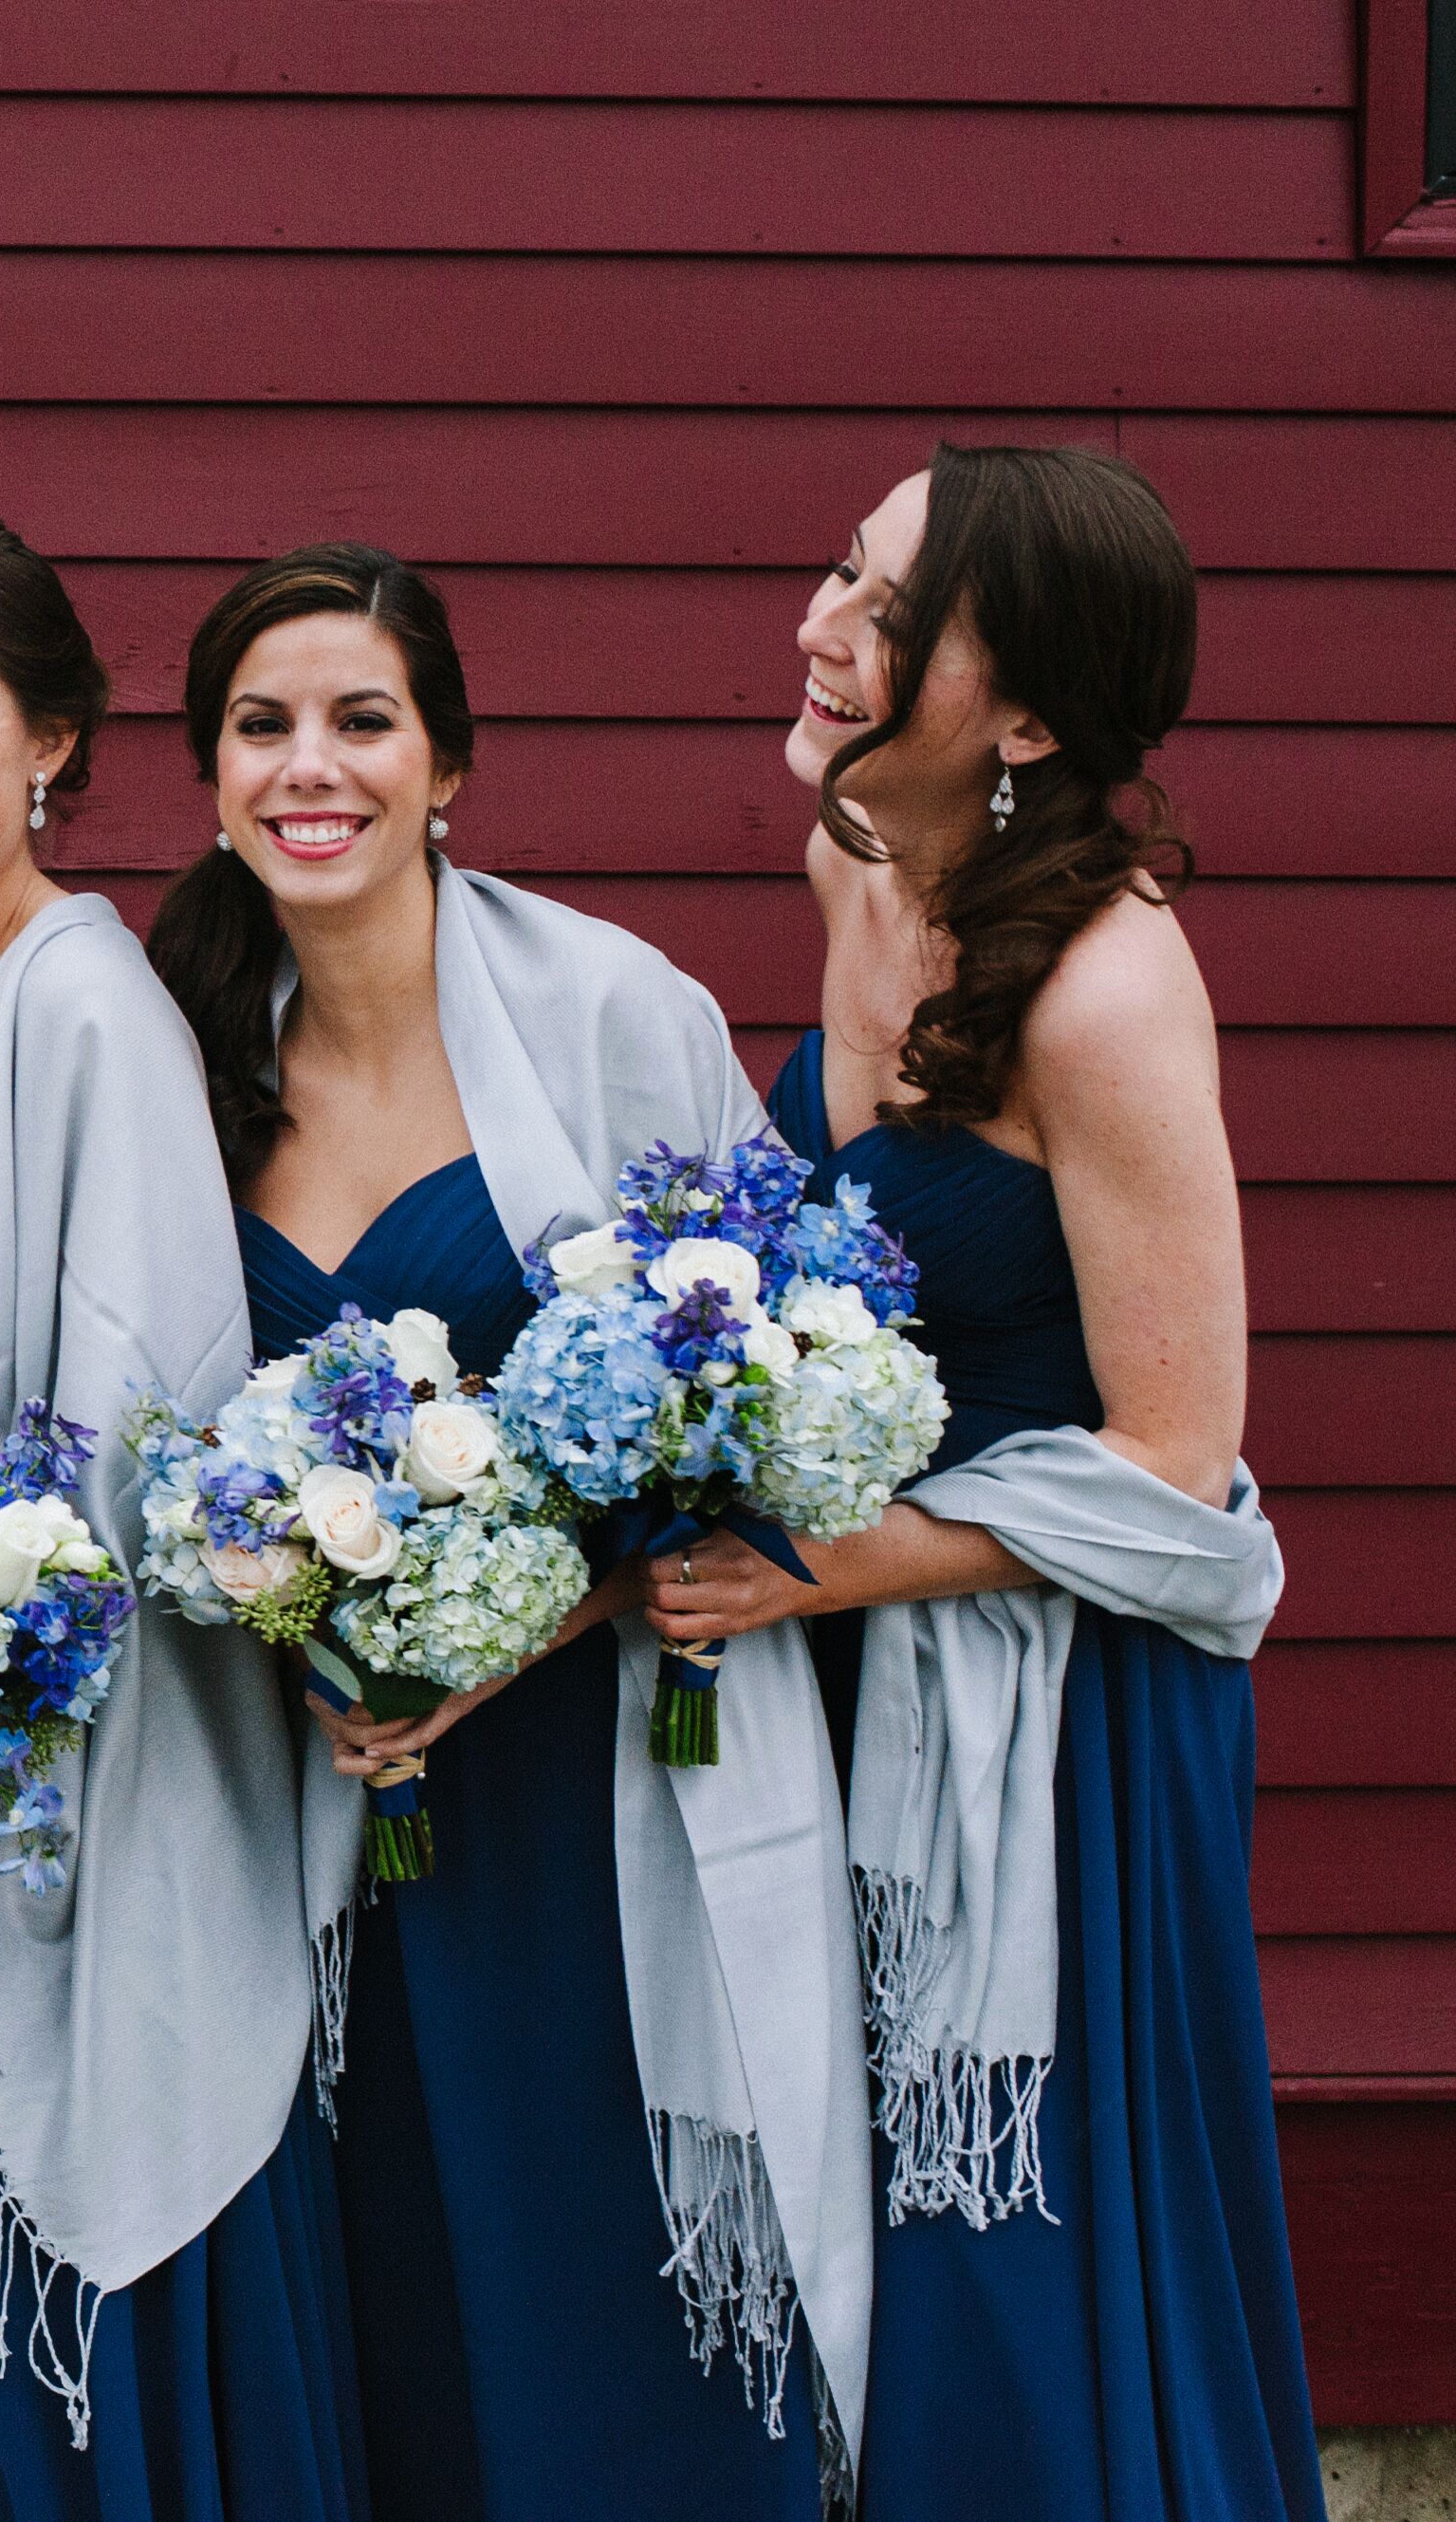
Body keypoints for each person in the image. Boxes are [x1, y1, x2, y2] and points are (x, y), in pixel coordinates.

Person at [144, 543, 868, 2520]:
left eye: (361, 721)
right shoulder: (170, 1039)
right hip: (294, 1780)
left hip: (581, 1777)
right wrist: (277, 1614)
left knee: (596, 2293)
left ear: (447, 758)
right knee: (366, 2312)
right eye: (263, 727)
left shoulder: (615, 1015)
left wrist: (505, 1640)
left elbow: (773, 1391)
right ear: (208, 776)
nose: (315, 767)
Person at [669, 444, 1319, 2522]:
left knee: (1016, 2247)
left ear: (1024, 716)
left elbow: (1177, 1477)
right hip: (846, 1647)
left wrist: (831, 1570)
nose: (817, 627)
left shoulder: (1109, 993)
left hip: (1057, 1737)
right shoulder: (853, 862)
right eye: (832, 573)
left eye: (879, 611)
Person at [0, 508, 362, 2520]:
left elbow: (141, 1444)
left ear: (50, 745)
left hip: (50, 1825)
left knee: (49, 2387)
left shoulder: (87, 1010)